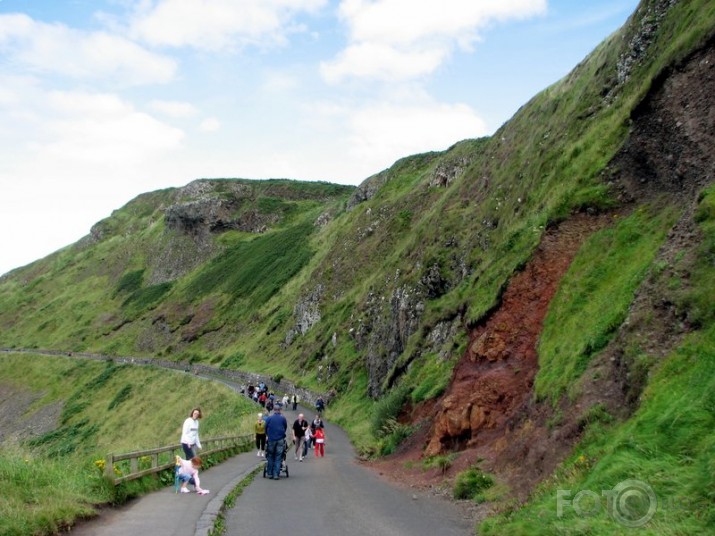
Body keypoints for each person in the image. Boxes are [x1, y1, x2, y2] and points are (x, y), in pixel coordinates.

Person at [264, 403, 287, 479]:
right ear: (279, 410)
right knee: (278, 457)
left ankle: (270, 473)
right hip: (280, 439)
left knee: (270, 455)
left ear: (274, 410)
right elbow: (285, 427)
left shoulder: (269, 418)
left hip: (271, 439)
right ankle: (276, 474)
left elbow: (265, 428)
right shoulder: (283, 418)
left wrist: (268, 434)